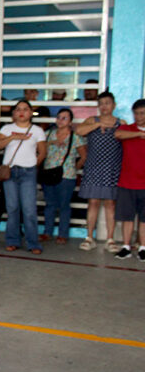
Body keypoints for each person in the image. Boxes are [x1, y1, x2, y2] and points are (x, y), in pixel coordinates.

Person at [0, 100, 47, 254]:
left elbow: (42, 152)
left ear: (30, 113)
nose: (21, 112)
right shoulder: (7, 128)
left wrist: (32, 165)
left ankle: (33, 242)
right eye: (18, 109)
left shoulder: (37, 131)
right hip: (10, 172)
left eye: (25, 109)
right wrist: (12, 138)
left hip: (28, 173)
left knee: (29, 209)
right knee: (12, 208)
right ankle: (12, 240)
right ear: (13, 113)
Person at [76, 91, 124, 252]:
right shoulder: (92, 120)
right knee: (93, 202)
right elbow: (79, 131)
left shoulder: (120, 123)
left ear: (114, 105)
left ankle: (110, 239)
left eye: (107, 103)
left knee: (110, 204)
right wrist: (98, 125)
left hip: (112, 169)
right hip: (94, 168)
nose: (104, 106)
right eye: (101, 103)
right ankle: (89, 237)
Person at [40, 108, 86, 244]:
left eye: (64, 118)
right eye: (59, 117)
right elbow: (38, 149)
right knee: (49, 204)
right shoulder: (48, 135)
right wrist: (50, 143)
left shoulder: (75, 137)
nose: (60, 120)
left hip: (66, 176)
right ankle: (47, 232)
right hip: (49, 173)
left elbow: (84, 156)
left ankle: (62, 234)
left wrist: (73, 168)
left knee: (64, 205)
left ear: (70, 121)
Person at [111, 99, 145, 261]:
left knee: (144, 219)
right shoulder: (127, 129)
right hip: (127, 181)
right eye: (136, 113)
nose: (139, 116)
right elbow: (118, 134)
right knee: (127, 217)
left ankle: (143, 247)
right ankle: (126, 246)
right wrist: (140, 134)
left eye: (142, 113)